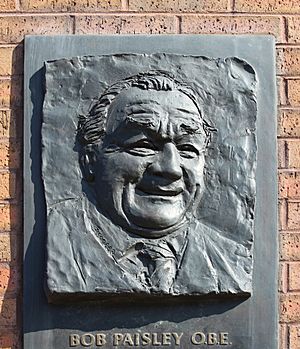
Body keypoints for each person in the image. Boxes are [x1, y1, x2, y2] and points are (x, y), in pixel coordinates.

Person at [46, 71, 252, 301]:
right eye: (143, 145)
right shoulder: (54, 241)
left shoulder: (232, 263)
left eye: (187, 150)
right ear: (91, 160)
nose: (171, 169)